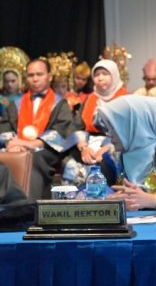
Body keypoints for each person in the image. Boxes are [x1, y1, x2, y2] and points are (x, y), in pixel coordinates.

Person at [0, 59, 75, 199]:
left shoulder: (60, 103)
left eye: (39, 74)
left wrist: (31, 144)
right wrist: (11, 144)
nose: (35, 79)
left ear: (49, 76)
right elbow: (4, 126)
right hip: (17, 147)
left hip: (46, 150)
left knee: (33, 158)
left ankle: (28, 205)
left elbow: (61, 130)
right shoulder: (16, 103)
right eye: (31, 75)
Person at [62, 59, 129, 184]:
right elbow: (77, 126)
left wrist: (108, 147)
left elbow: (129, 130)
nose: (100, 78)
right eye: (97, 75)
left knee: (106, 160)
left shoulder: (126, 99)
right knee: (68, 161)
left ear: (114, 75)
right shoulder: (90, 99)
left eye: (105, 74)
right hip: (89, 142)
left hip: (116, 144)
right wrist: (84, 148)